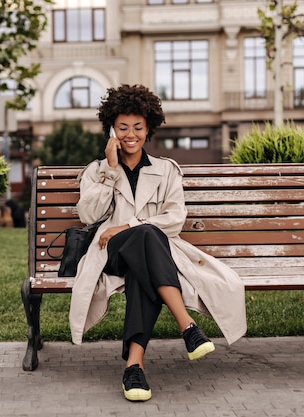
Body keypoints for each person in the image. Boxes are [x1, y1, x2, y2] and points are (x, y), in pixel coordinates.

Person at [69, 84, 247, 402]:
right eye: (122, 127)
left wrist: (127, 224)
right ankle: (187, 326)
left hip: (150, 254)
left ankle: (133, 368)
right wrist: (110, 171)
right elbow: (89, 214)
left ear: (148, 127)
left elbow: (174, 220)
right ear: (111, 128)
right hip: (111, 253)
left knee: (145, 258)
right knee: (147, 238)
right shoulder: (97, 171)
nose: (130, 134)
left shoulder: (166, 170)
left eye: (137, 127)